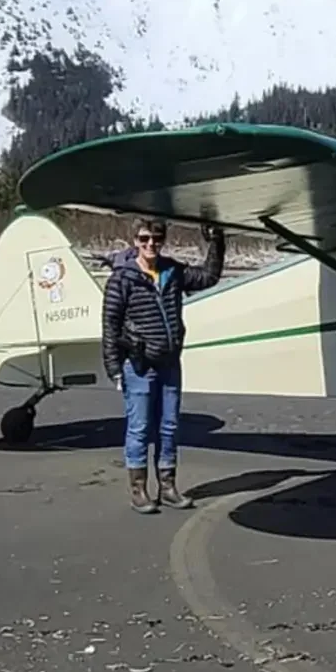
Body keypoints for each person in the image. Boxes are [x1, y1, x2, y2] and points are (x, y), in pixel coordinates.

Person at [101, 218, 226, 514]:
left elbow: (208, 277)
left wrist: (217, 242)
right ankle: (139, 491)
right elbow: (110, 325)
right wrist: (114, 368)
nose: (151, 244)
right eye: (144, 239)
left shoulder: (172, 271)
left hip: (169, 363)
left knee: (169, 427)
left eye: (157, 239)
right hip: (138, 365)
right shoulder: (122, 279)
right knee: (140, 428)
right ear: (134, 240)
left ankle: (168, 487)